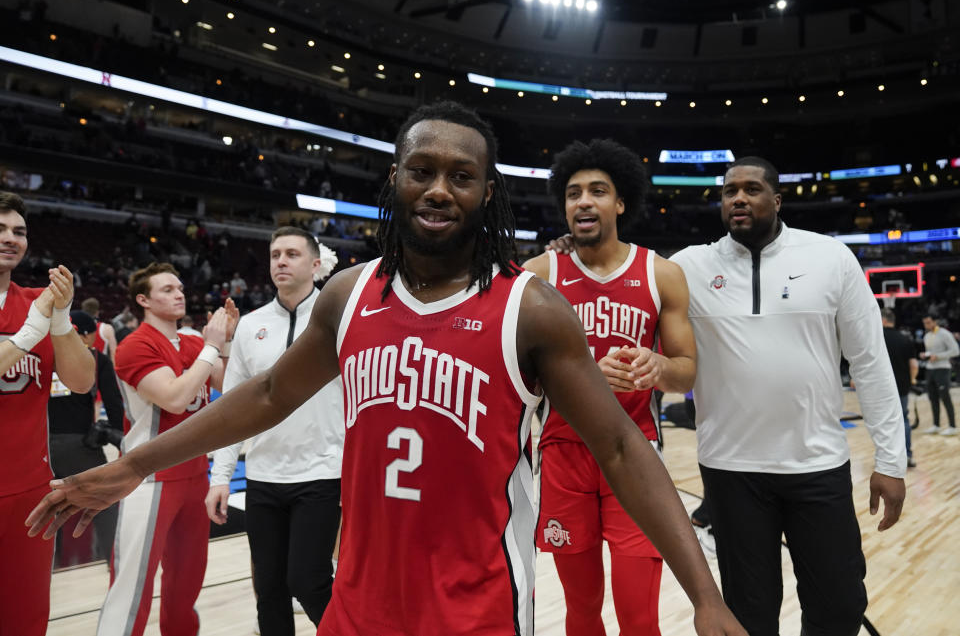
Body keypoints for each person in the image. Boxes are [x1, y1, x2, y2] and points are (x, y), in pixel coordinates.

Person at [27, 101, 745, 636]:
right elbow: (271, 391)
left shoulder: (531, 308)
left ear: (486, 193)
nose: (439, 189)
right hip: (357, 609)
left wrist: (706, 596)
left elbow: (621, 444)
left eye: (461, 176)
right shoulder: (348, 293)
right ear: (395, 178)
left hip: (479, 611)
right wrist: (134, 465)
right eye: (422, 171)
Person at [669, 157, 906, 636]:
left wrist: (892, 462)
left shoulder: (830, 257)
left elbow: (871, 363)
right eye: (729, 191)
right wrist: (569, 251)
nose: (738, 198)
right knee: (749, 614)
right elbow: (621, 275)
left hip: (817, 464)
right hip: (731, 470)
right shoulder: (688, 266)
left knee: (839, 605)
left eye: (752, 189)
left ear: (776, 200)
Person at [523, 139, 697, 636]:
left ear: (620, 203)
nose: (584, 201)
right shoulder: (538, 277)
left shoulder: (661, 273)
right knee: (580, 614)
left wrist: (658, 366)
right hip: (563, 455)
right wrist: (578, 373)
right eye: (573, 192)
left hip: (636, 453)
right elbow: (515, 374)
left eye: (598, 191)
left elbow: (688, 371)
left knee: (639, 618)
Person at [206, 228, 343, 635]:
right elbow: (232, 409)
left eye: (292, 254)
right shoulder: (251, 325)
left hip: (323, 473)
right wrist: (220, 478)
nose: (281, 261)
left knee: (308, 580)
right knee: (269, 591)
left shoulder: (340, 318)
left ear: (316, 265)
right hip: (264, 477)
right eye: (275, 254)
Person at [94, 262, 237, 636]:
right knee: (132, 589)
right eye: (167, 290)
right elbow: (175, 398)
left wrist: (228, 341)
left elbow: (231, 383)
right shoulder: (133, 345)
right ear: (143, 300)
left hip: (194, 477)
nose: (179, 294)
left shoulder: (192, 344)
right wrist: (211, 346)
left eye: (180, 288)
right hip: (150, 477)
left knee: (185, 586)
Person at [0, 191, 95, 636]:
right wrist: (30, 331)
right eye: (0, 229)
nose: (10, 238)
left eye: (18, 231)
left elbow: (81, 381)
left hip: (27, 489)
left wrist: (58, 320)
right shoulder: (32, 315)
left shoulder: (39, 301)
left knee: (26, 617)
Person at [48, 309, 125, 565]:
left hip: (42, 448)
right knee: (105, 501)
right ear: (84, 335)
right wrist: (116, 434)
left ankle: (45, 566)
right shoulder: (95, 357)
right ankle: (114, 562)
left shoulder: (43, 357)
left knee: (47, 510)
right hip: (80, 445)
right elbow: (114, 403)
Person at [880, 309, 919, 468]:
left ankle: (886, 458)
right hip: (902, 387)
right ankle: (908, 456)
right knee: (903, 420)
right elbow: (914, 365)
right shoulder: (905, 339)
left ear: (882, 320)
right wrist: (912, 380)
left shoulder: (877, 338)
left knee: (883, 423)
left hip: (881, 388)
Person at [919, 314, 958, 435]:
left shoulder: (945, 334)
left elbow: (955, 351)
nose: (927, 325)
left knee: (945, 397)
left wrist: (939, 356)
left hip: (943, 369)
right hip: (930, 369)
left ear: (935, 322)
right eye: (925, 323)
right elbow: (932, 352)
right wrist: (926, 355)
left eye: (929, 322)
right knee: (933, 398)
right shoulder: (927, 336)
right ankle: (936, 425)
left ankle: (952, 426)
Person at [81, 296, 118, 364]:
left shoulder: (75, 328)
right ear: (97, 312)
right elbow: (114, 352)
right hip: (99, 369)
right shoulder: (107, 328)